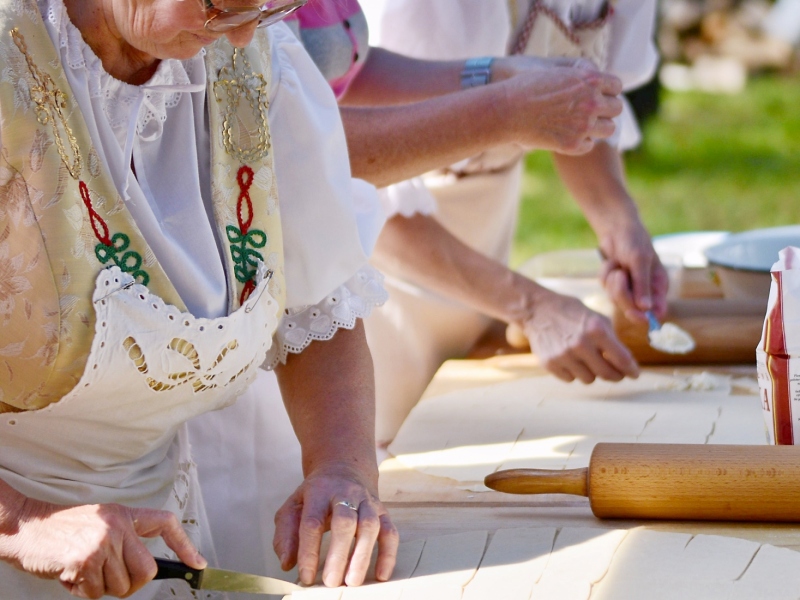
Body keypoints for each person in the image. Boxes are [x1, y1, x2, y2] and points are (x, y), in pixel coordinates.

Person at [0, 0, 398, 597]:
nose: (241, 37)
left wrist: (341, 467)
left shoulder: (261, 62)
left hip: (154, 546)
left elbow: (319, 304)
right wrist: (24, 522)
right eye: (222, 5)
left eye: (272, 6)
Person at [284, 0, 667, 444]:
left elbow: (583, 112)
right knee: (388, 447)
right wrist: (532, 307)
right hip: (384, 272)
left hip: (488, 230)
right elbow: (349, 188)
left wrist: (621, 226)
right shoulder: (419, 10)